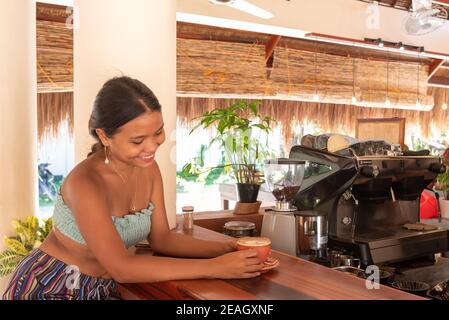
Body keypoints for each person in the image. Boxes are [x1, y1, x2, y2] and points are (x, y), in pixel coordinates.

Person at [2, 76, 264, 300]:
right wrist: (214, 267)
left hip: (101, 289)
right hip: (52, 287)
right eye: (138, 140)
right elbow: (122, 268)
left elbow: (162, 239)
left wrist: (229, 249)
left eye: (158, 132)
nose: (151, 147)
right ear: (104, 136)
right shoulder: (85, 183)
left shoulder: (148, 168)